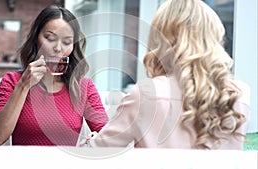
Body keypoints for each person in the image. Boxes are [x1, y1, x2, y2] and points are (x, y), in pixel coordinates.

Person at [85, 0, 250, 149]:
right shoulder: (239, 94)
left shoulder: (147, 94)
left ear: (161, 40)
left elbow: (97, 152)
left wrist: (92, 140)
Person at [0, 5, 108, 146]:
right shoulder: (13, 81)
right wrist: (23, 85)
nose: (58, 48)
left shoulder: (83, 87)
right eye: (50, 38)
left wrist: (98, 139)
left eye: (66, 42)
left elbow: (107, 135)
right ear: (35, 39)